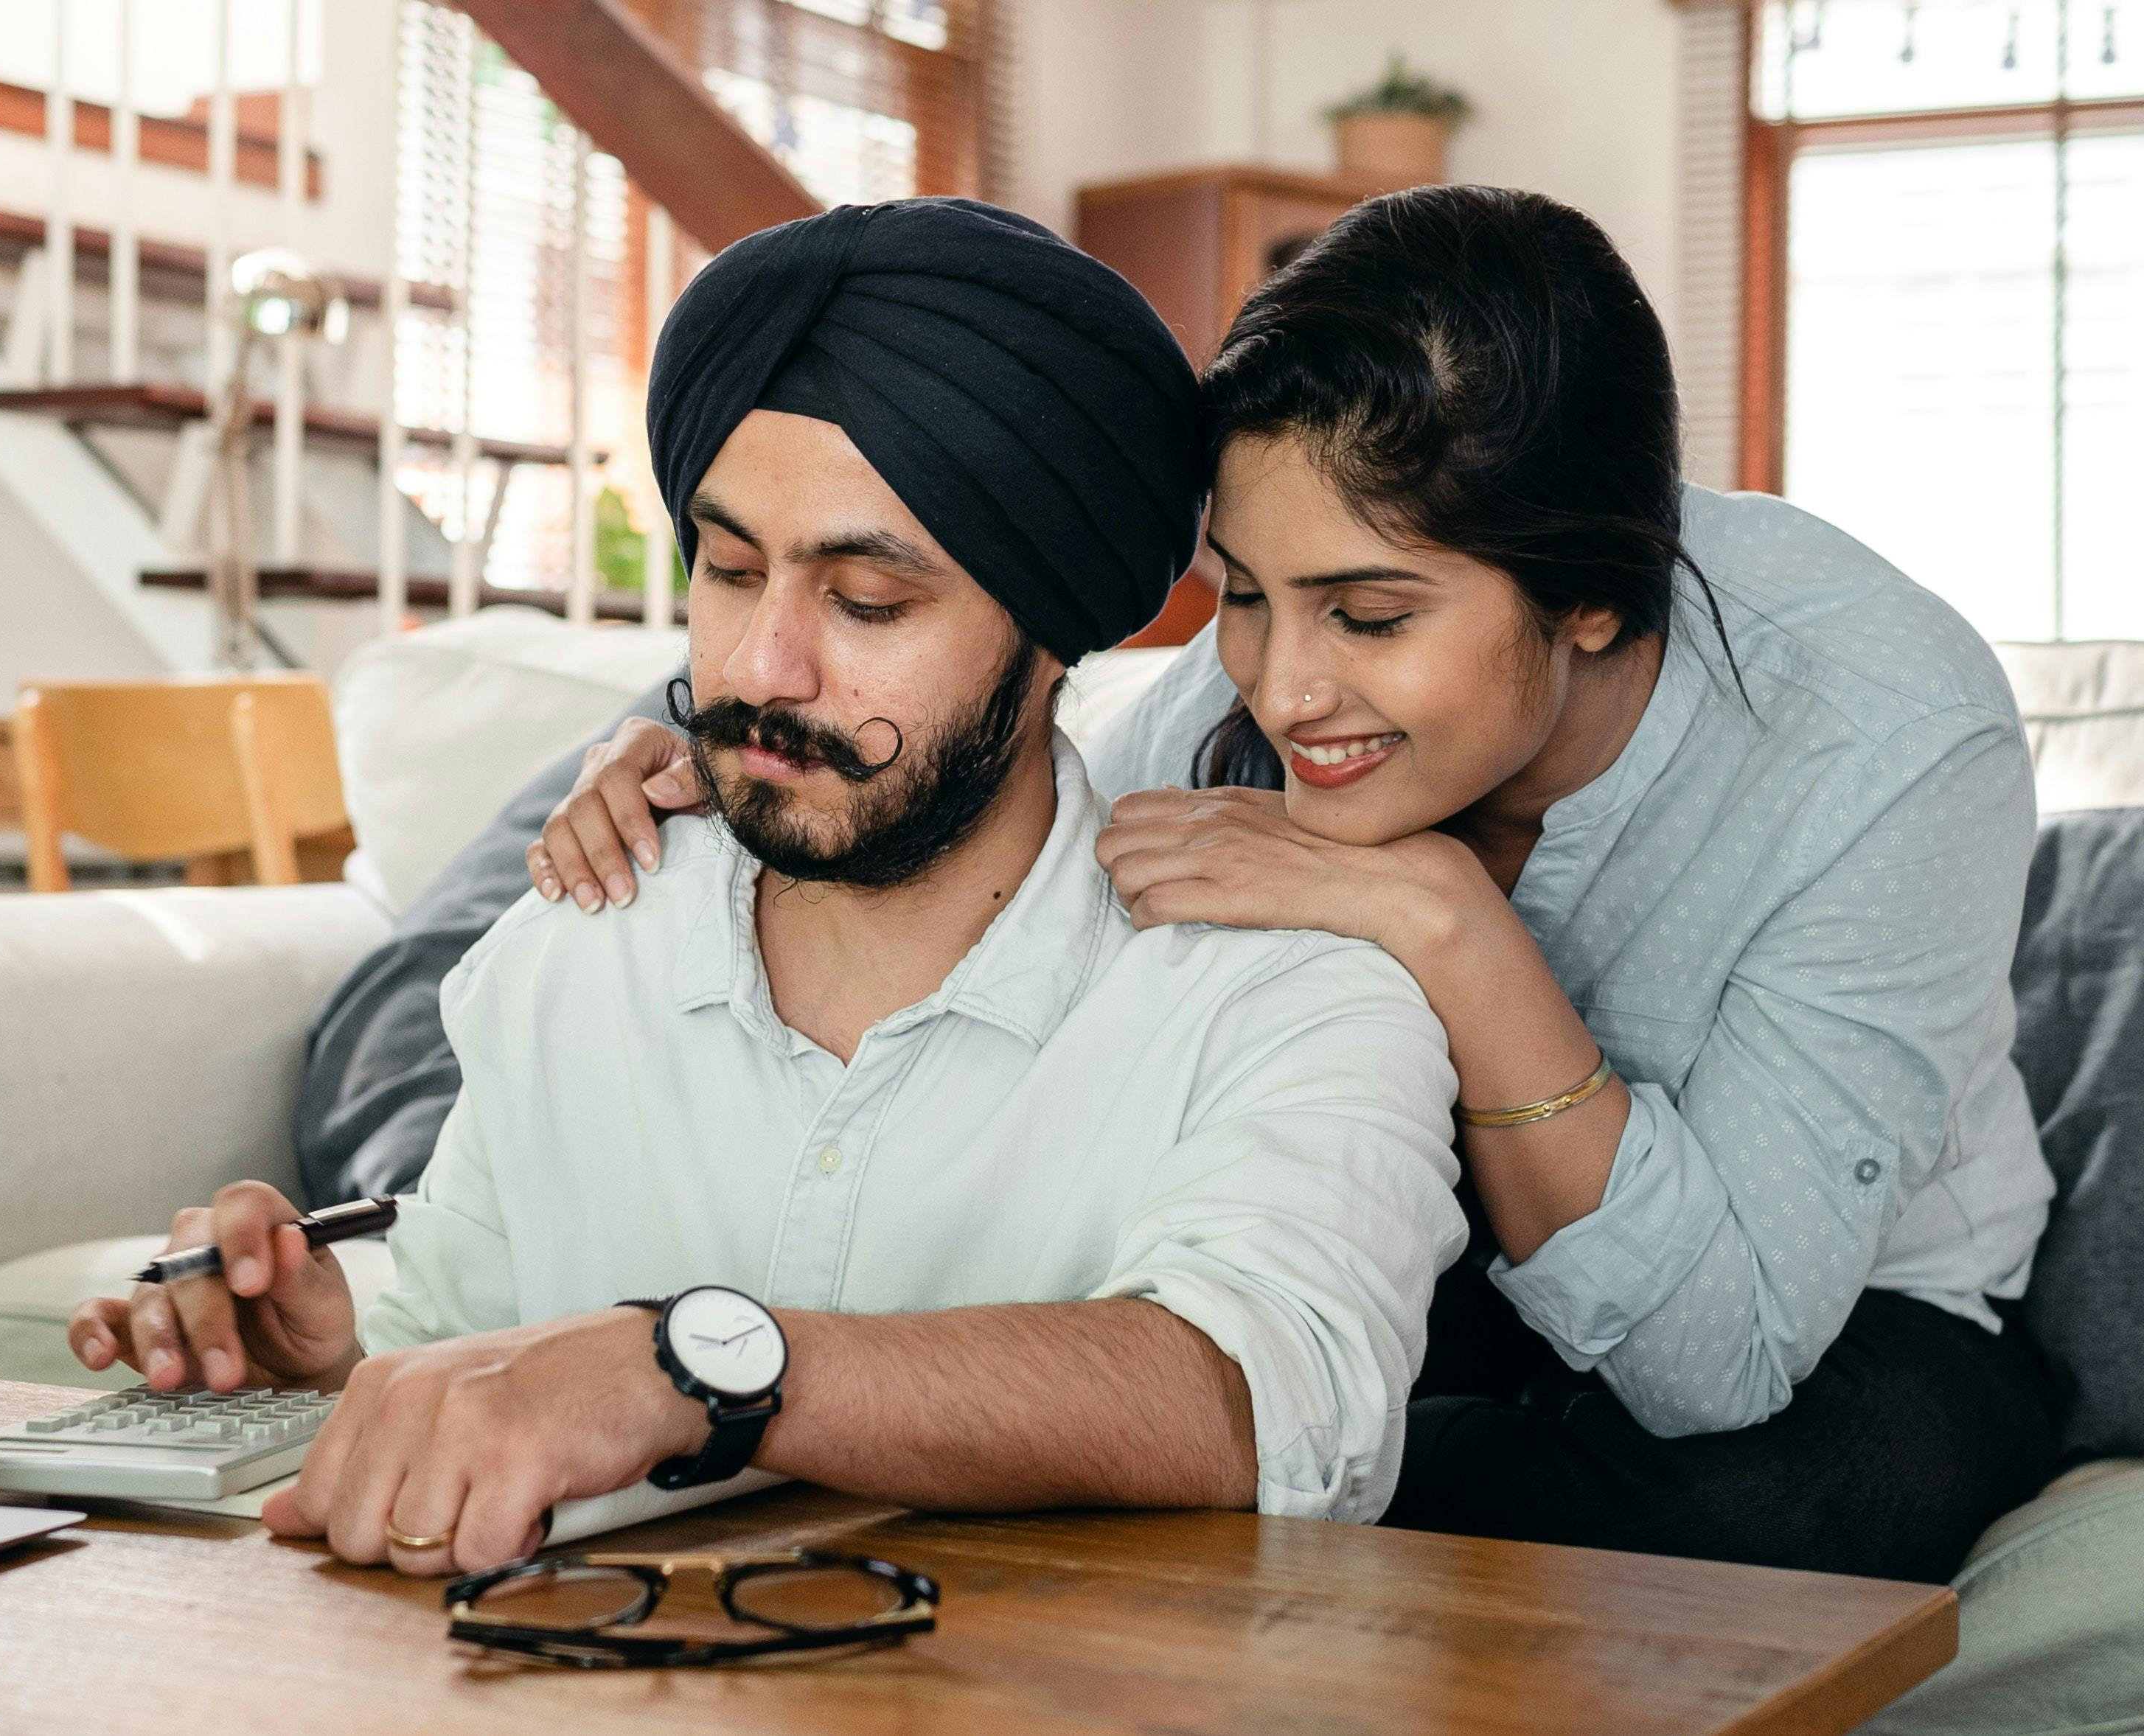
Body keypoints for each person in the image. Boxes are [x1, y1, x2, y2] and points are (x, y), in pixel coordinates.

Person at [520, 186, 2057, 1583]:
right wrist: (730, 764)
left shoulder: (1889, 733)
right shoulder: (1219, 717)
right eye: (1245, 595)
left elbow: (1715, 1356)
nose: (1285, 687)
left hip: (1824, 1316)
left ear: (1596, 595)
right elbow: (997, 803)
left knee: (1816, 1503)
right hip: (1414, 1257)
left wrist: (1448, 921)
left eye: (1370, 615)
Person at [72, 197, 1468, 1577]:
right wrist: (323, 1368)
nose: (760, 669)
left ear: (1058, 631)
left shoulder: (1286, 985)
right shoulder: (586, 932)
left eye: (867, 603)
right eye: (728, 571)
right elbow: (466, 1352)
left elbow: (1269, 1410)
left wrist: (694, 1367)